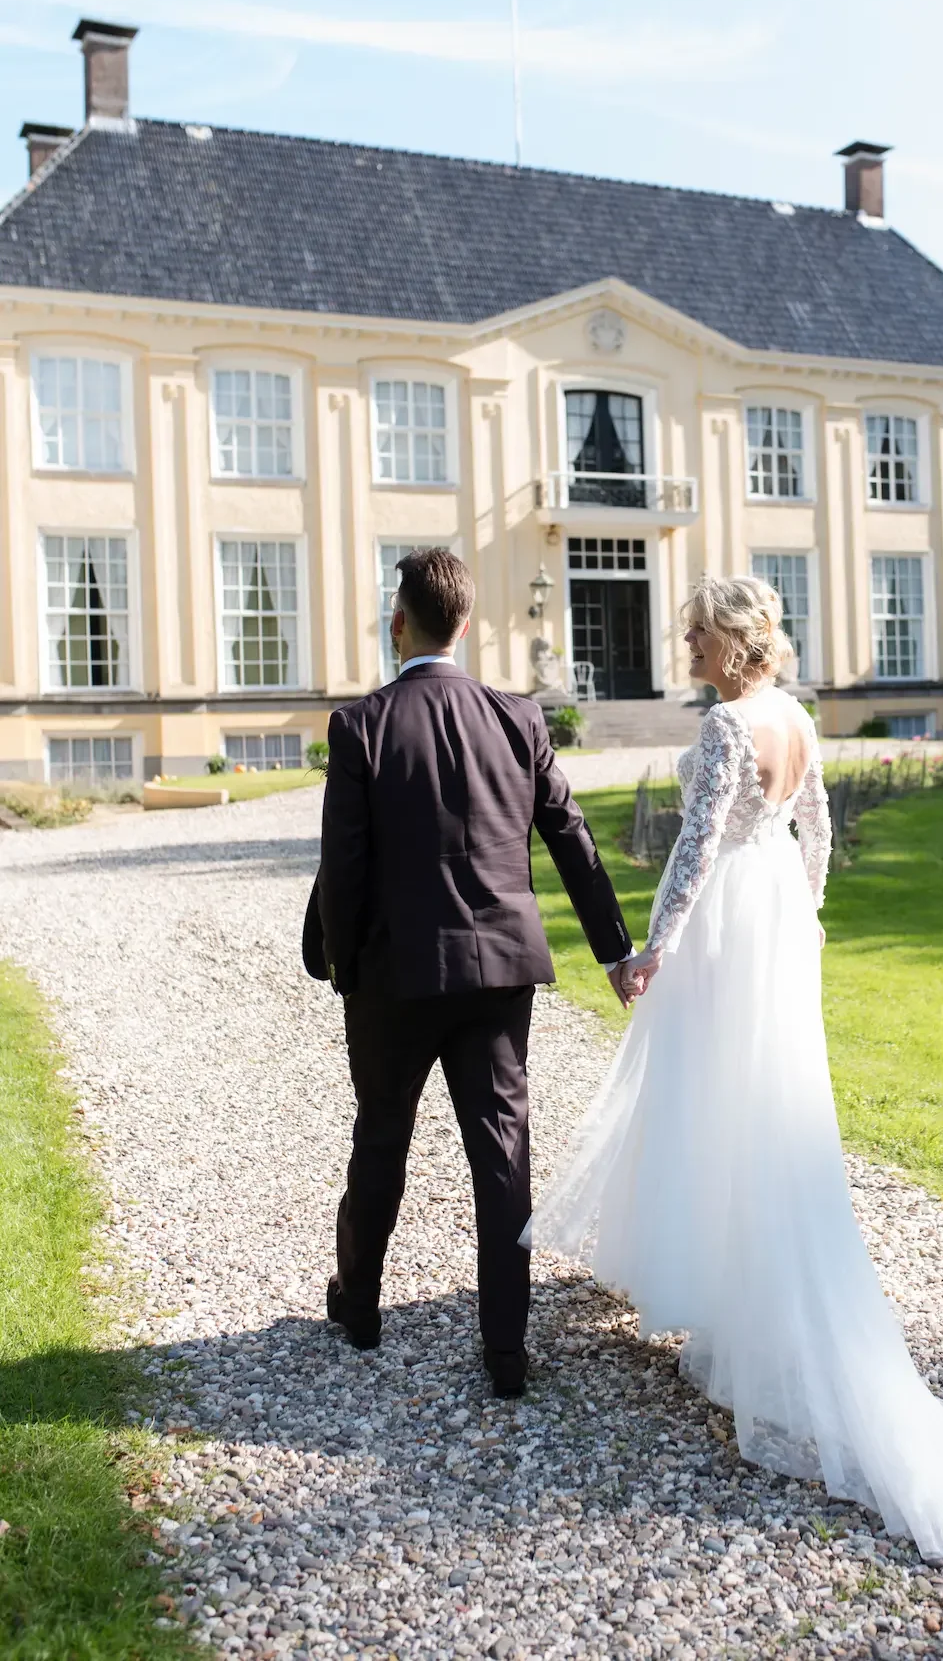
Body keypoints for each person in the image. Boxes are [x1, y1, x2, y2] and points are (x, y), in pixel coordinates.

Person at [526, 575, 943, 1562]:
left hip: (729, 916)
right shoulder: (798, 718)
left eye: (696, 632)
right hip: (771, 913)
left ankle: (744, 1290)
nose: (684, 642)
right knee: (760, 1098)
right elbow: (814, 823)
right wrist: (803, 911)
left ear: (735, 644)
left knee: (717, 1098)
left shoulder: (731, 725)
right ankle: (735, 1284)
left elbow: (692, 848)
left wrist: (657, 946)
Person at [310, 548, 632, 1398]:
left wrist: (344, 968)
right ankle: (505, 1350)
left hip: (394, 976)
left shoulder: (362, 725)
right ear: (466, 625)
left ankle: (363, 1306)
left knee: (381, 1137)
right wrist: (614, 949)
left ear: (399, 621)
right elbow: (571, 836)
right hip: (498, 971)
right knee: (502, 1150)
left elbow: (345, 864)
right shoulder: (519, 718)